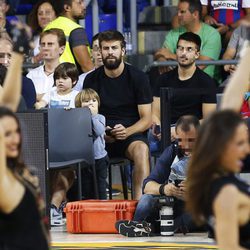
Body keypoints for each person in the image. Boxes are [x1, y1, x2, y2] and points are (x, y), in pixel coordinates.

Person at [83, 30, 152, 200]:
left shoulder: (138, 77)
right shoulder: (91, 79)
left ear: (123, 51)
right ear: (100, 52)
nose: (110, 52)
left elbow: (147, 118)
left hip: (130, 135)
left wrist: (126, 132)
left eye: (114, 47)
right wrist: (102, 132)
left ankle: (140, 206)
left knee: (142, 150)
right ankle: (87, 204)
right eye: (105, 48)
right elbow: (84, 116)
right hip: (100, 136)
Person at [0, 22, 50, 249]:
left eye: (15, 132)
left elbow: (8, 106)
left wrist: (19, 53)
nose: (14, 139)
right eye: (7, 134)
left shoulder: (16, 171)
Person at [116, 115, 201, 237]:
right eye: (181, 140)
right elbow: (147, 185)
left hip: (194, 206)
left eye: (191, 140)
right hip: (173, 203)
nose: (186, 145)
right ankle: (137, 225)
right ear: (176, 136)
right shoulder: (172, 151)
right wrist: (164, 188)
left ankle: (151, 228)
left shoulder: (208, 154)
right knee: (146, 198)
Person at [186, 110, 250, 249]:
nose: (247, 150)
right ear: (218, 147)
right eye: (240, 143)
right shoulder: (227, 193)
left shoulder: (210, 181)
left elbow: (223, 119)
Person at [152, 32, 217, 140]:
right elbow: (155, 113)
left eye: (189, 49)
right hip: (166, 130)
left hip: (193, 131)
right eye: (180, 48)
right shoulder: (163, 79)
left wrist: (180, 131)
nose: (183, 53)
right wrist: (161, 130)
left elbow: (208, 119)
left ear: (197, 54)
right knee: (150, 138)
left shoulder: (207, 82)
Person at [155, 0, 221, 79]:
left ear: (195, 14)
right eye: (178, 11)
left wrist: (172, 56)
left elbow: (200, 65)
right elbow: (161, 52)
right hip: (178, 80)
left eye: (182, 12)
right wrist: (161, 59)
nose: (178, 15)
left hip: (203, 82)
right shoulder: (174, 33)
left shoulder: (212, 34)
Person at [75, 88, 109, 199]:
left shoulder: (100, 118)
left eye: (94, 100)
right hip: (84, 159)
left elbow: (99, 131)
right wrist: (71, 114)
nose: (90, 103)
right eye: (86, 101)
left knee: (100, 185)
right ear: (79, 105)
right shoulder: (78, 118)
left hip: (100, 158)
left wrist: (93, 116)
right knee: (86, 186)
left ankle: (102, 207)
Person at [44, 0, 94, 74]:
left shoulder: (47, 28)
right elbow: (87, 66)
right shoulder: (75, 29)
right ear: (67, 7)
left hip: (49, 78)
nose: (83, 6)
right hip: (70, 80)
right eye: (79, 3)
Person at [26, 28, 66, 101]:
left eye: (50, 44)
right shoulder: (31, 75)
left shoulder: (69, 74)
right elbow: (27, 99)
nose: (45, 48)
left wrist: (37, 97)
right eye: (43, 44)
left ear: (61, 49)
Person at [0, 32, 36, 109]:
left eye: (9, 56)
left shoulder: (26, 83)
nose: (5, 61)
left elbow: (28, 116)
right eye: (1, 56)